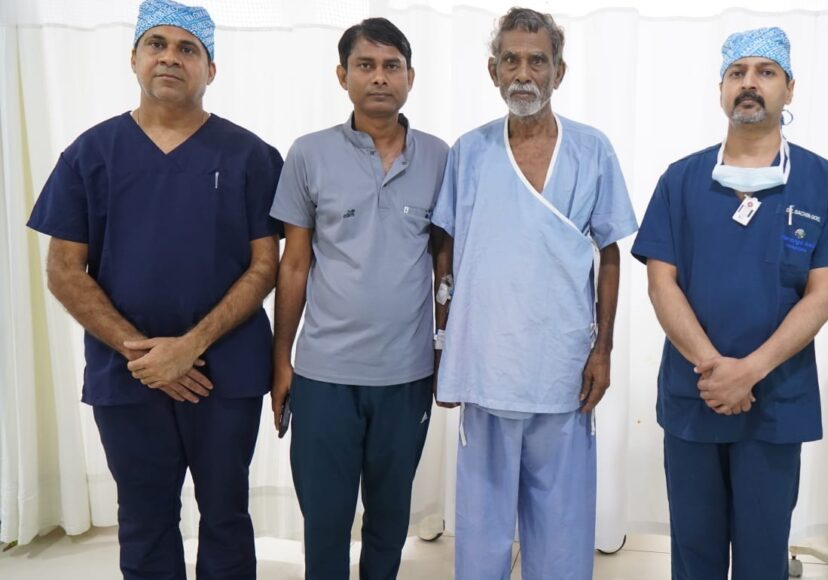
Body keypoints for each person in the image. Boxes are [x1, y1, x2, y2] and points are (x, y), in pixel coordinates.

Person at [25, 1, 282, 578]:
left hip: (226, 374)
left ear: (210, 70)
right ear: (134, 58)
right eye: (157, 45)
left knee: (226, 516)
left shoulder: (249, 156)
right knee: (143, 519)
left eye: (188, 48)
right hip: (128, 377)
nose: (171, 57)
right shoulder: (90, 154)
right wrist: (144, 353)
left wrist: (189, 347)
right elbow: (64, 270)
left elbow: (265, 265)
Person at [631, 27, 828, 579]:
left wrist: (751, 372)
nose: (750, 84)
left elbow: (823, 293)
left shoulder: (821, 182)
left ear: (789, 88)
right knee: (694, 550)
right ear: (721, 91)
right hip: (696, 393)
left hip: (775, 400)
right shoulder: (681, 180)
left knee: (764, 552)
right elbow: (662, 283)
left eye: (765, 72)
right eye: (738, 73)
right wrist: (715, 369)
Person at [430, 7, 638, 579]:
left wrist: (604, 350)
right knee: (481, 525)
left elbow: (611, 253)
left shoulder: (592, 150)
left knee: (562, 523)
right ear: (492, 70)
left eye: (537, 61)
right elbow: (445, 252)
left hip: (563, 363)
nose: (524, 73)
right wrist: (443, 345)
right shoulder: (469, 152)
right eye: (511, 61)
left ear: (559, 72)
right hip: (486, 359)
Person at [268, 17, 449, 580]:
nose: (379, 78)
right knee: (325, 520)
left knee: (390, 519)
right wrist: (282, 363)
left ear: (411, 77)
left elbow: (445, 262)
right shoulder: (308, 154)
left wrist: (446, 353)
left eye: (391, 66)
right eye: (365, 66)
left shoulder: (442, 157)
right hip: (324, 375)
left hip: (406, 373)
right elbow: (293, 264)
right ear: (342, 75)